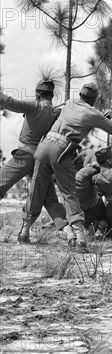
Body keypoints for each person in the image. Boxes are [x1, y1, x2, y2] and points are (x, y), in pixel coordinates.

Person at [24, 82, 112, 249]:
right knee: (69, 193)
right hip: (61, 151)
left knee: (36, 189)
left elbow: (66, 114)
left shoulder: (69, 102)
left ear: (80, 94)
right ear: (94, 99)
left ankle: (24, 230)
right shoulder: (93, 113)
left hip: (43, 145)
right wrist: (110, 116)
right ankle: (79, 235)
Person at [0, 79, 69, 243]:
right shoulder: (56, 113)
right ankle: (70, 233)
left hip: (25, 156)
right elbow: (80, 117)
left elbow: (8, 102)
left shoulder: (34, 106)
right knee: (50, 199)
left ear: (37, 94)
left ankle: (26, 232)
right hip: (43, 160)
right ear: (52, 95)